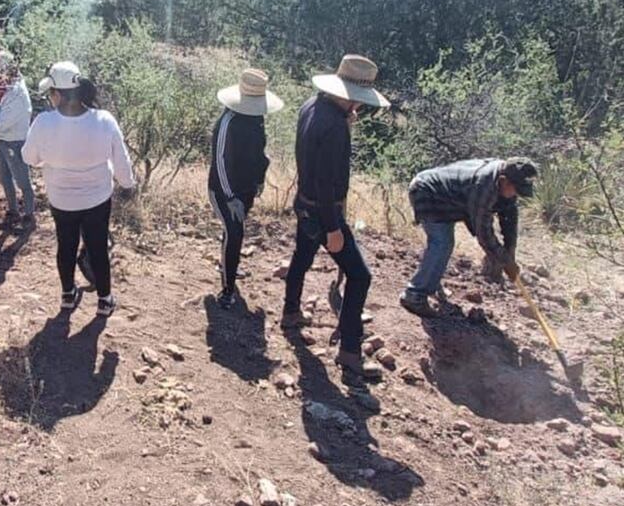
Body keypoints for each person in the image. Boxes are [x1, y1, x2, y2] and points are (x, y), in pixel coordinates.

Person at [281, 54, 391, 379]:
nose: (358, 105)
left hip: (304, 204)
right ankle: (350, 352)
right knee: (360, 276)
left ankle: (290, 312)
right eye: (357, 99)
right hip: (323, 211)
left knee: (301, 258)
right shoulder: (334, 126)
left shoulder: (311, 106)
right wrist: (333, 228)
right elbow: (327, 182)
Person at [22, 61, 135, 317]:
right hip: (97, 198)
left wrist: (48, 157)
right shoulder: (103, 120)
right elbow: (121, 159)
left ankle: (67, 295)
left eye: (51, 92)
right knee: (97, 247)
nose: (50, 97)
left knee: (66, 245)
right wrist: (128, 185)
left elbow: (29, 158)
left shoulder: (43, 123)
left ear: (58, 94)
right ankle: (105, 299)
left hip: (62, 200)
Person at [401, 157, 538, 316]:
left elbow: (509, 218)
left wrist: (510, 254)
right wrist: (503, 260)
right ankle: (414, 295)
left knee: (442, 243)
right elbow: (484, 233)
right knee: (442, 243)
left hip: (448, 196)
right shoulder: (484, 186)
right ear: (503, 181)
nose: (516, 195)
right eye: (515, 190)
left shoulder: (508, 176)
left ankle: (430, 282)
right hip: (427, 191)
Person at [208, 68, 284, 309]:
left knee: (234, 233)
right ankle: (227, 289)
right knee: (235, 232)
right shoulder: (227, 122)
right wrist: (230, 197)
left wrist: (259, 179)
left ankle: (228, 268)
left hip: (246, 189)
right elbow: (220, 161)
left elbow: (260, 153)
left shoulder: (256, 119)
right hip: (224, 190)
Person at [0, 50, 35, 230]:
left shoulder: (17, 93)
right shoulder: (5, 87)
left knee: (22, 181)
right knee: (5, 178)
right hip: (2, 140)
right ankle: (13, 212)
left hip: (14, 141)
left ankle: (29, 215)